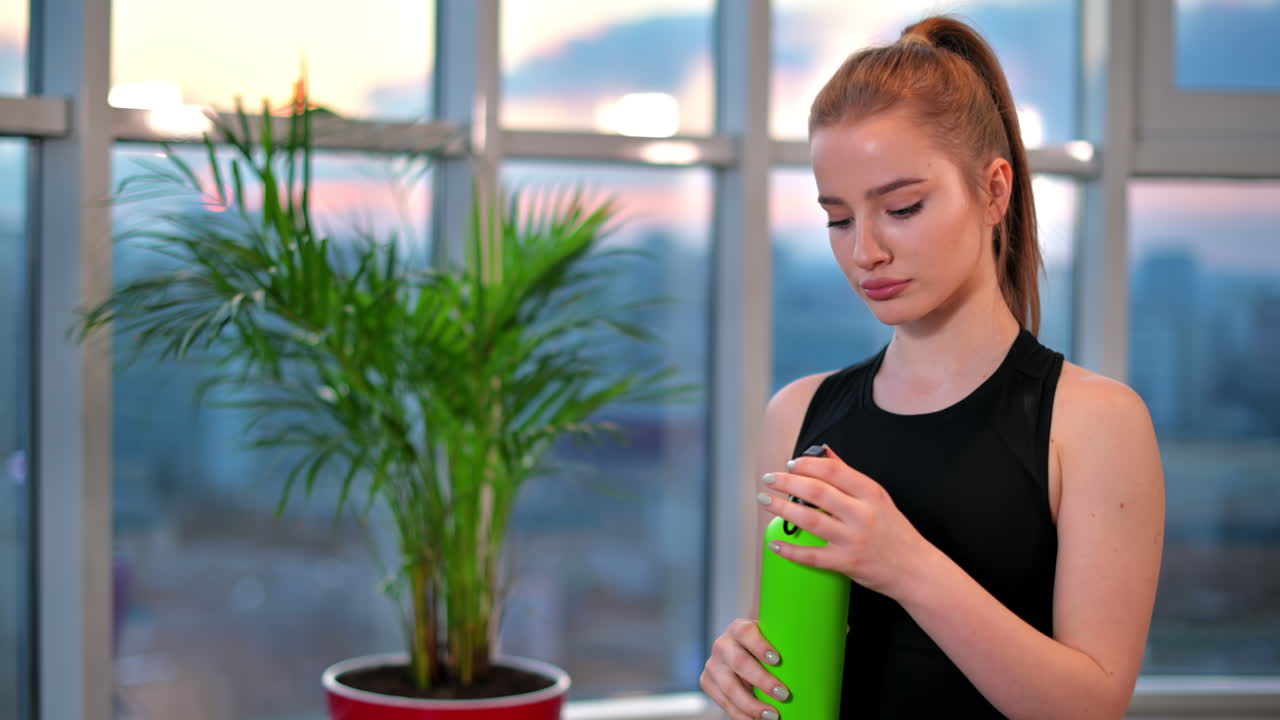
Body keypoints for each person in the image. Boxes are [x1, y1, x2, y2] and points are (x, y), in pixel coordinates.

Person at [700, 15, 1165, 720]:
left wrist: (906, 564)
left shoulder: (1095, 422)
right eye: (838, 218)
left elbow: (1091, 707)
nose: (866, 252)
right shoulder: (796, 415)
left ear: (994, 191)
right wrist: (746, 672)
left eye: (903, 207)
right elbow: (791, 673)